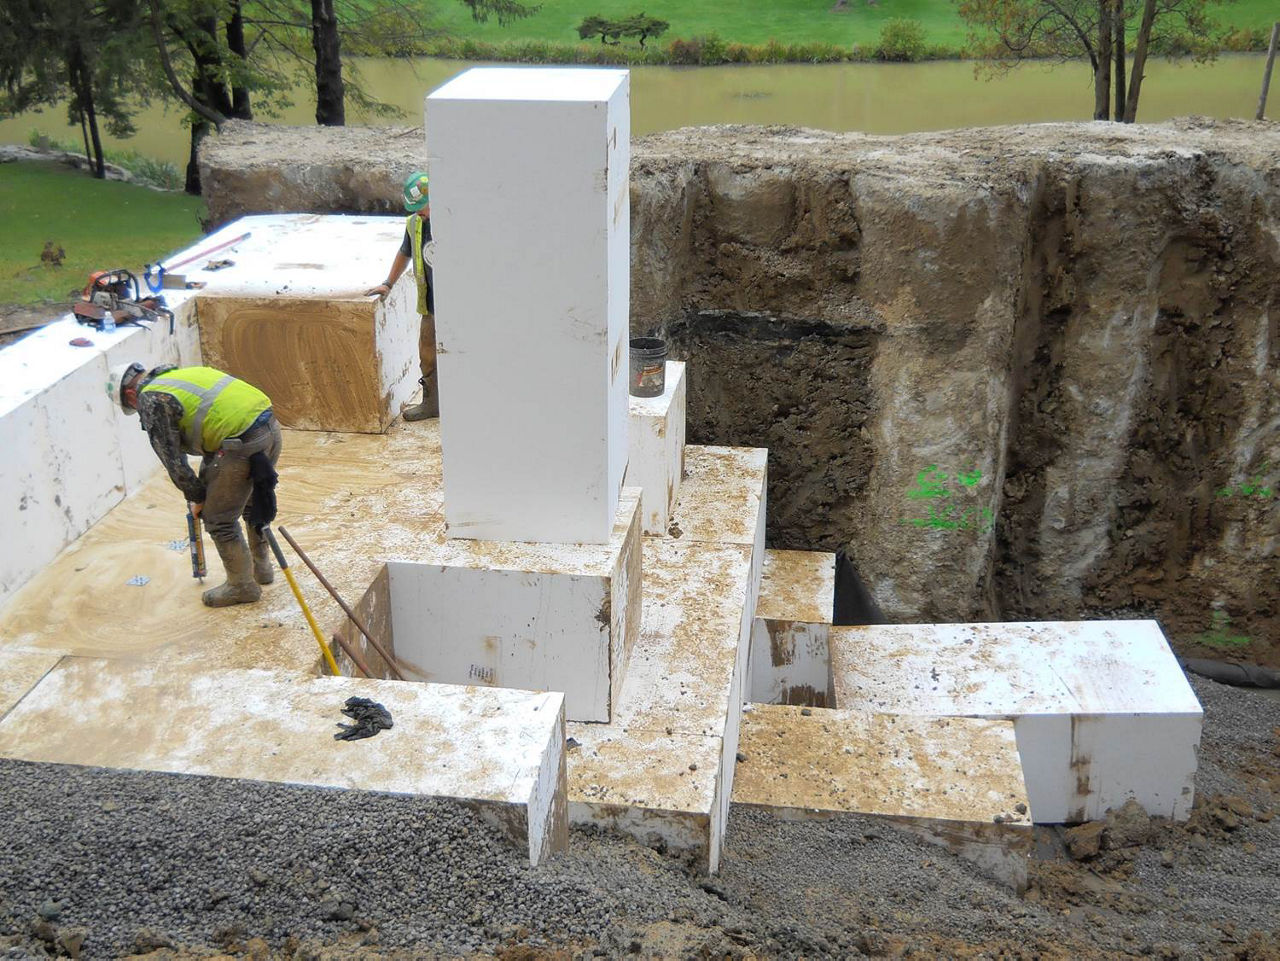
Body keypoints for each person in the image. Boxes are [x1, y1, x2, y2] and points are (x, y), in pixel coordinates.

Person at [106, 362, 283, 608]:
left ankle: (242, 586)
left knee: (219, 519)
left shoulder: (152, 398)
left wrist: (199, 498)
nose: (138, 411)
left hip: (239, 444)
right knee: (251, 502)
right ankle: (261, 570)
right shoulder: (179, 376)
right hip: (270, 428)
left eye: (132, 407)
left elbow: (174, 462)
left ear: (130, 395)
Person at [366, 170, 437, 421]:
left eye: (422, 206)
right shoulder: (415, 224)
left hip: (458, 304)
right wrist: (388, 283)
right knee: (427, 355)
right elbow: (404, 253)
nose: (419, 212)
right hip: (430, 305)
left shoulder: (452, 219)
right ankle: (432, 404)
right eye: (415, 207)